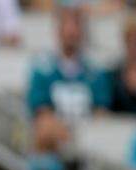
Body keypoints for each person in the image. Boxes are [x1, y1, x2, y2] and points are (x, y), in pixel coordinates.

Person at [27, 2, 111, 152]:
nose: (71, 30)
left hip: (89, 140)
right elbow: (41, 113)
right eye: (67, 23)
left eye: (76, 24)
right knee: (43, 130)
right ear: (57, 29)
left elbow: (101, 112)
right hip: (53, 142)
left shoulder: (95, 71)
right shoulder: (41, 69)